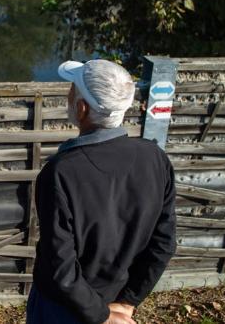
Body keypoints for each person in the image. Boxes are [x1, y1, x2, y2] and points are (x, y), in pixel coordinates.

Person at [26, 59, 177, 324]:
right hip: (117, 300)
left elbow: (60, 266)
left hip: (61, 309)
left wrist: (102, 316)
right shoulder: (156, 159)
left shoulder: (60, 173)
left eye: (72, 91)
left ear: (81, 108)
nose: (68, 96)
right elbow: (164, 243)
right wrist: (128, 301)